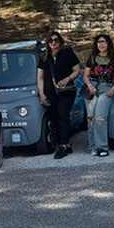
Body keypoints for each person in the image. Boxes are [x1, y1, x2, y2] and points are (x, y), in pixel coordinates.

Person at [37, 31, 81, 159]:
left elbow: (77, 70)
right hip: (50, 91)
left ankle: (63, 146)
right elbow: (40, 77)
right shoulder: (44, 57)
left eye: (56, 40)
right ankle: (65, 143)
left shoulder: (67, 53)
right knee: (55, 117)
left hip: (66, 90)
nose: (53, 42)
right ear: (47, 43)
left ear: (60, 41)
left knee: (63, 115)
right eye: (51, 40)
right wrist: (42, 94)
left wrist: (67, 79)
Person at [83, 34, 114, 157]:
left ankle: (102, 147)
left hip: (107, 88)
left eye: (104, 41)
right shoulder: (92, 58)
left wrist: (113, 89)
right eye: (99, 42)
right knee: (91, 118)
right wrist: (90, 85)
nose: (101, 44)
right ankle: (93, 146)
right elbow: (85, 75)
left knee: (100, 117)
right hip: (92, 88)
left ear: (108, 43)